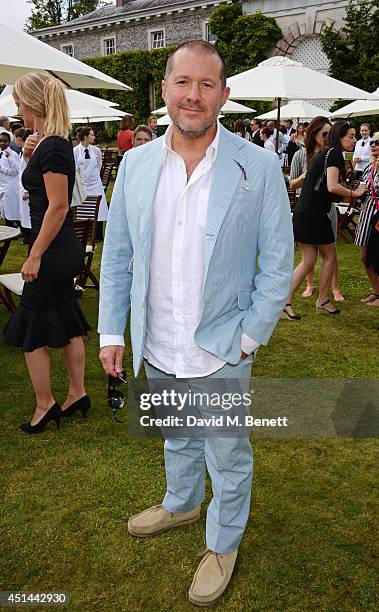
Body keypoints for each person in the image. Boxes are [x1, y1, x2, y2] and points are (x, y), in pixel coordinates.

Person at [98, 40, 293, 607]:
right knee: (177, 433)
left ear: (223, 95)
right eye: (183, 82)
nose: (194, 95)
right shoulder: (135, 165)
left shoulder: (256, 166)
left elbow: (278, 263)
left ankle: (223, 542)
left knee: (227, 452)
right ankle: (182, 502)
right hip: (158, 342)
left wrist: (250, 336)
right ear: (165, 89)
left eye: (207, 85)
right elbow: (118, 256)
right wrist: (114, 332)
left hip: (222, 348)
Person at [4, 72, 91, 434]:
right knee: (68, 319)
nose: (17, 109)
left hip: (52, 250)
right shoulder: (50, 144)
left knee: (30, 329)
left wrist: (35, 254)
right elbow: (41, 195)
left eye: (20, 102)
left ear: (34, 104)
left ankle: (46, 404)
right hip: (60, 247)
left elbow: (57, 206)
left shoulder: (54, 146)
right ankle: (77, 393)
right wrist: (28, 159)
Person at [285, 120, 367, 319]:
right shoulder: (334, 154)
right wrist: (354, 192)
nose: (354, 140)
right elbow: (331, 186)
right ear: (340, 136)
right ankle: (322, 300)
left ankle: (284, 302)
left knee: (308, 260)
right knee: (329, 256)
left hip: (305, 212)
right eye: (351, 136)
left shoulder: (326, 152)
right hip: (314, 214)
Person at [290, 116, 345, 301]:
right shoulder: (304, 155)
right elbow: (292, 184)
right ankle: (317, 293)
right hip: (311, 208)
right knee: (323, 255)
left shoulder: (329, 153)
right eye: (324, 134)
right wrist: (307, 176)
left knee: (326, 252)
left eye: (330, 134)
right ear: (313, 134)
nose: (327, 137)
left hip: (320, 208)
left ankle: (333, 289)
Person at [355, 134, 379, 306]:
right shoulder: (368, 167)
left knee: (377, 255)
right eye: (372, 143)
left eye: (377, 143)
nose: (373, 145)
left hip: (378, 215)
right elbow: (362, 189)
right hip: (366, 213)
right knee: (364, 256)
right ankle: (376, 291)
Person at [73, 126, 108, 240]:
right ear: (85, 137)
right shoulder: (75, 151)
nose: (94, 137)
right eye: (92, 135)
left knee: (99, 207)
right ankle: (85, 233)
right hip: (82, 183)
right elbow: (74, 167)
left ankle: (98, 235)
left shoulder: (96, 150)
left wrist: (94, 176)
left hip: (95, 183)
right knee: (84, 208)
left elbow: (99, 164)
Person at [15, 127, 34, 244]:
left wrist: (27, 190)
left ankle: (30, 237)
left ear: (19, 138)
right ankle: (28, 237)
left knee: (28, 214)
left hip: (26, 188)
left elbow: (28, 171)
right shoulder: (21, 152)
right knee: (24, 214)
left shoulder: (27, 153)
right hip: (22, 186)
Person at [0, 131, 21, 227]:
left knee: (11, 214)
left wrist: (2, 169)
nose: (2, 143)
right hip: (2, 187)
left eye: (5, 141)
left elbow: (17, 170)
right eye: (0, 141)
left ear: (9, 142)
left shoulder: (13, 154)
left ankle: (24, 234)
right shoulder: (0, 153)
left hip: (11, 188)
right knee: (6, 212)